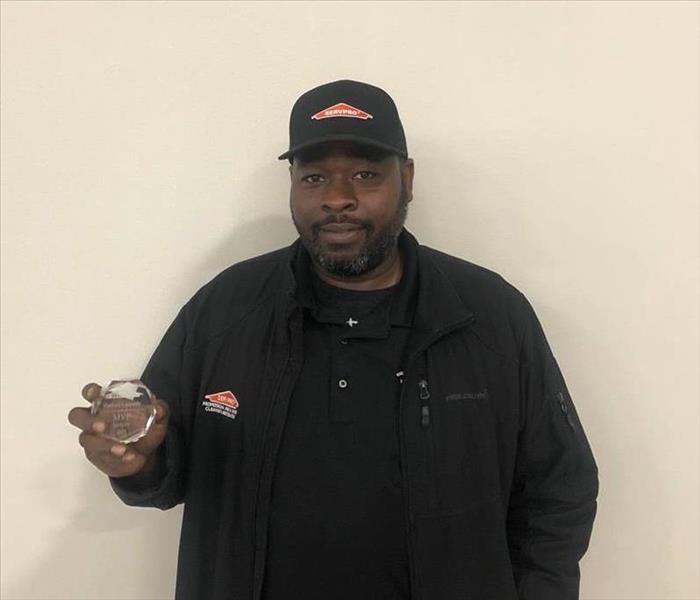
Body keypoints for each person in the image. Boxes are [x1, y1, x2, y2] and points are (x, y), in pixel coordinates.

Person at [68, 79, 599, 600]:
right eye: (315, 178)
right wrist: (137, 461)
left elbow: (558, 490)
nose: (338, 199)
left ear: (407, 180)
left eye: (366, 175)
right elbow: (161, 459)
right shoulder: (225, 309)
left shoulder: (489, 315)